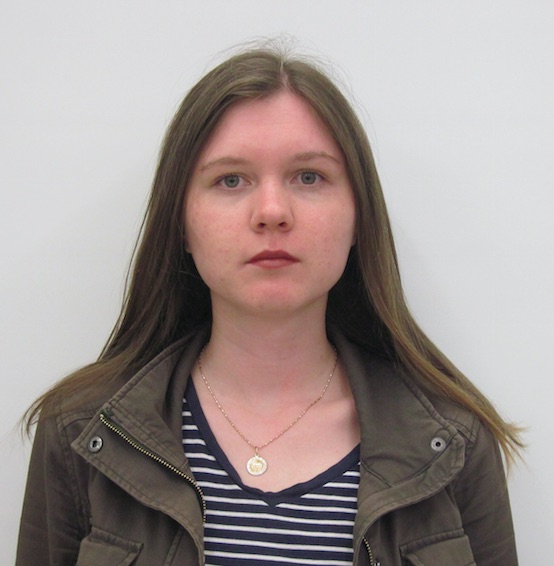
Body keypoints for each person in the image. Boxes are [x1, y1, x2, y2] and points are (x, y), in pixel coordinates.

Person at [17, 44, 523, 566]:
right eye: (230, 180)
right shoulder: (81, 433)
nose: (272, 211)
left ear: (358, 218)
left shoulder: (454, 446)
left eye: (309, 177)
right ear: (182, 224)